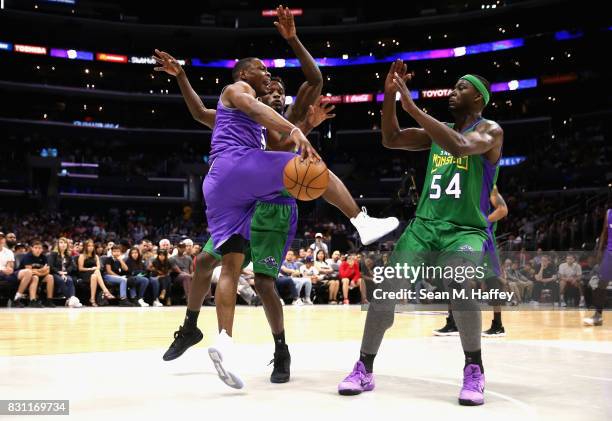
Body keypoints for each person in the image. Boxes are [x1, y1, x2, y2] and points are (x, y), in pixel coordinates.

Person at [157, 6, 399, 389]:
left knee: (243, 273)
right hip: (248, 180)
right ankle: (361, 219)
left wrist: (298, 118)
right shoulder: (244, 99)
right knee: (306, 170)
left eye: (276, 84)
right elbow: (226, 108)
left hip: (256, 200)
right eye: (266, 79)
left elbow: (313, 79)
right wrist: (298, 132)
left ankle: (233, 343)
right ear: (249, 80)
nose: (272, 83)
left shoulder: (280, 112)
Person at [338, 60, 503, 407]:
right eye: (454, 86)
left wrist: (411, 105)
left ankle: (474, 368)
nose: (454, 92)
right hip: (424, 226)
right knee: (386, 291)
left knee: (458, 281)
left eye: (462, 87)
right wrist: (388, 97)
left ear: (480, 98)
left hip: (465, 230)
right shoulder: (436, 132)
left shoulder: (491, 131)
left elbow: (459, 145)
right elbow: (391, 138)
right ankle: (364, 367)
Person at [433, 185, 509, 337]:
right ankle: (453, 322)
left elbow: (502, 209)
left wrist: (482, 221)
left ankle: (498, 324)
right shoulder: (459, 185)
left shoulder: (488, 185)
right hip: (462, 239)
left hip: (483, 239)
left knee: (492, 281)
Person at [583, 205, 611, 326]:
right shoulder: (609, 213)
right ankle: (598, 316)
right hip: (609, 253)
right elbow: (604, 232)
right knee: (601, 284)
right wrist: (600, 251)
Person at [0, 232, 37, 307]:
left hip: (6, 273)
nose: (0, 239)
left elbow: (10, 265)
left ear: (4, 240)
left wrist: (9, 269)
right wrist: (2, 270)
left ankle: (16, 298)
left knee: (28, 272)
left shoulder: (8, 252)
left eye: (2, 237)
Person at [19, 240, 55, 307]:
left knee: (50, 277)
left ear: (42, 249)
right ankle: (32, 301)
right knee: (35, 277)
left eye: (39, 248)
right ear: (32, 248)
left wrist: (39, 272)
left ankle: (49, 300)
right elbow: (29, 271)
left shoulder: (43, 257)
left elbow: (47, 271)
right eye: (36, 248)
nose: (38, 250)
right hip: (26, 278)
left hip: (39, 276)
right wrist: (41, 270)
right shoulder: (27, 256)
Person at [48, 237, 82, 308]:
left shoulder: (68, 255)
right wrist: (59, 272)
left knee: (69, 280)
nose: (63, 244)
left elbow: (72, 266)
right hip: (55, 273)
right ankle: (70, 300)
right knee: (61, 280)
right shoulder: (53, 254)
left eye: (65, 243)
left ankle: (72, 299)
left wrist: (65, 272)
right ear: (58, 244)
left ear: (67, 245)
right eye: (61, 243)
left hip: (65, 273)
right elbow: (51, 266)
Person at [79, 239, 114, 307]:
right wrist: (90, 269)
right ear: (85, 247)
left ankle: (92, 299)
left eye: (92, 246)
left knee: (94, 276)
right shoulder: (82, 256)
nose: (91, 247)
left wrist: (94, 269)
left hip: (94, 274)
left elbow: (98, 267)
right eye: (89, 246)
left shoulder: (96, 256)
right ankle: (106, 291)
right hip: (84, 274)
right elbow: (80, 268)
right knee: (96, 272)